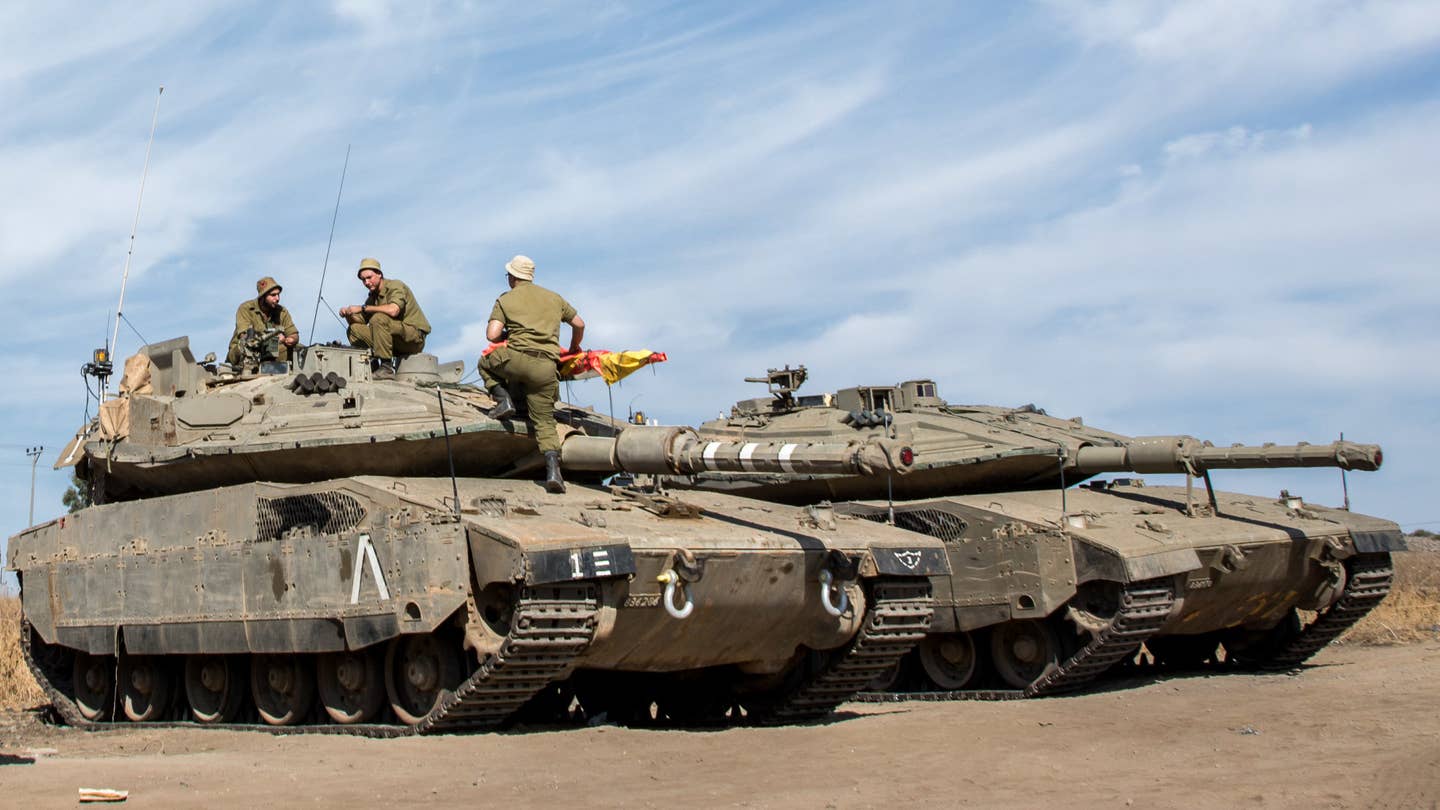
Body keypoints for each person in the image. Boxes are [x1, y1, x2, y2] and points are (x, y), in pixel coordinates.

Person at [479, 255, 585, 493]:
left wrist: (509, 333)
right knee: (545, 421)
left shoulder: (506, 299)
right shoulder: (553, 297)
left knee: (485, 362)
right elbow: (579, 324)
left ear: (513, 277)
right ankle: (553, 470)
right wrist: (575, 346)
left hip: (517, 359)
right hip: (547, 368)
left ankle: (503, 399)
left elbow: (491, 335)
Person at [339, 257, 431, 379]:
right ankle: (373, 365)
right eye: (363, 280)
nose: (366, 282)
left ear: (379, 274)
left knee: (378, 319)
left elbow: (394, 310)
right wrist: (348, 314)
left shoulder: (395, 286)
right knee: (354, 330)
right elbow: (359, 321)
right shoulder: (373, 297)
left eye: (369, 278)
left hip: (413, 339)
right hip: (391, 341)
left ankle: (386, 368)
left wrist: (363, 308)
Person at [227, 276, 299, 366]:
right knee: (248, 346)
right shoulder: (246, 309)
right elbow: (245, 337)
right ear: (262, 296)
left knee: (300, 349)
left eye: (278, 294)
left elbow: (293, 334)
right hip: (244, 352)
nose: (277, 298)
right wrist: (274, 339)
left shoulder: (281, 311)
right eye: (273, 295)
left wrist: (290, 339)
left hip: (271, 352)